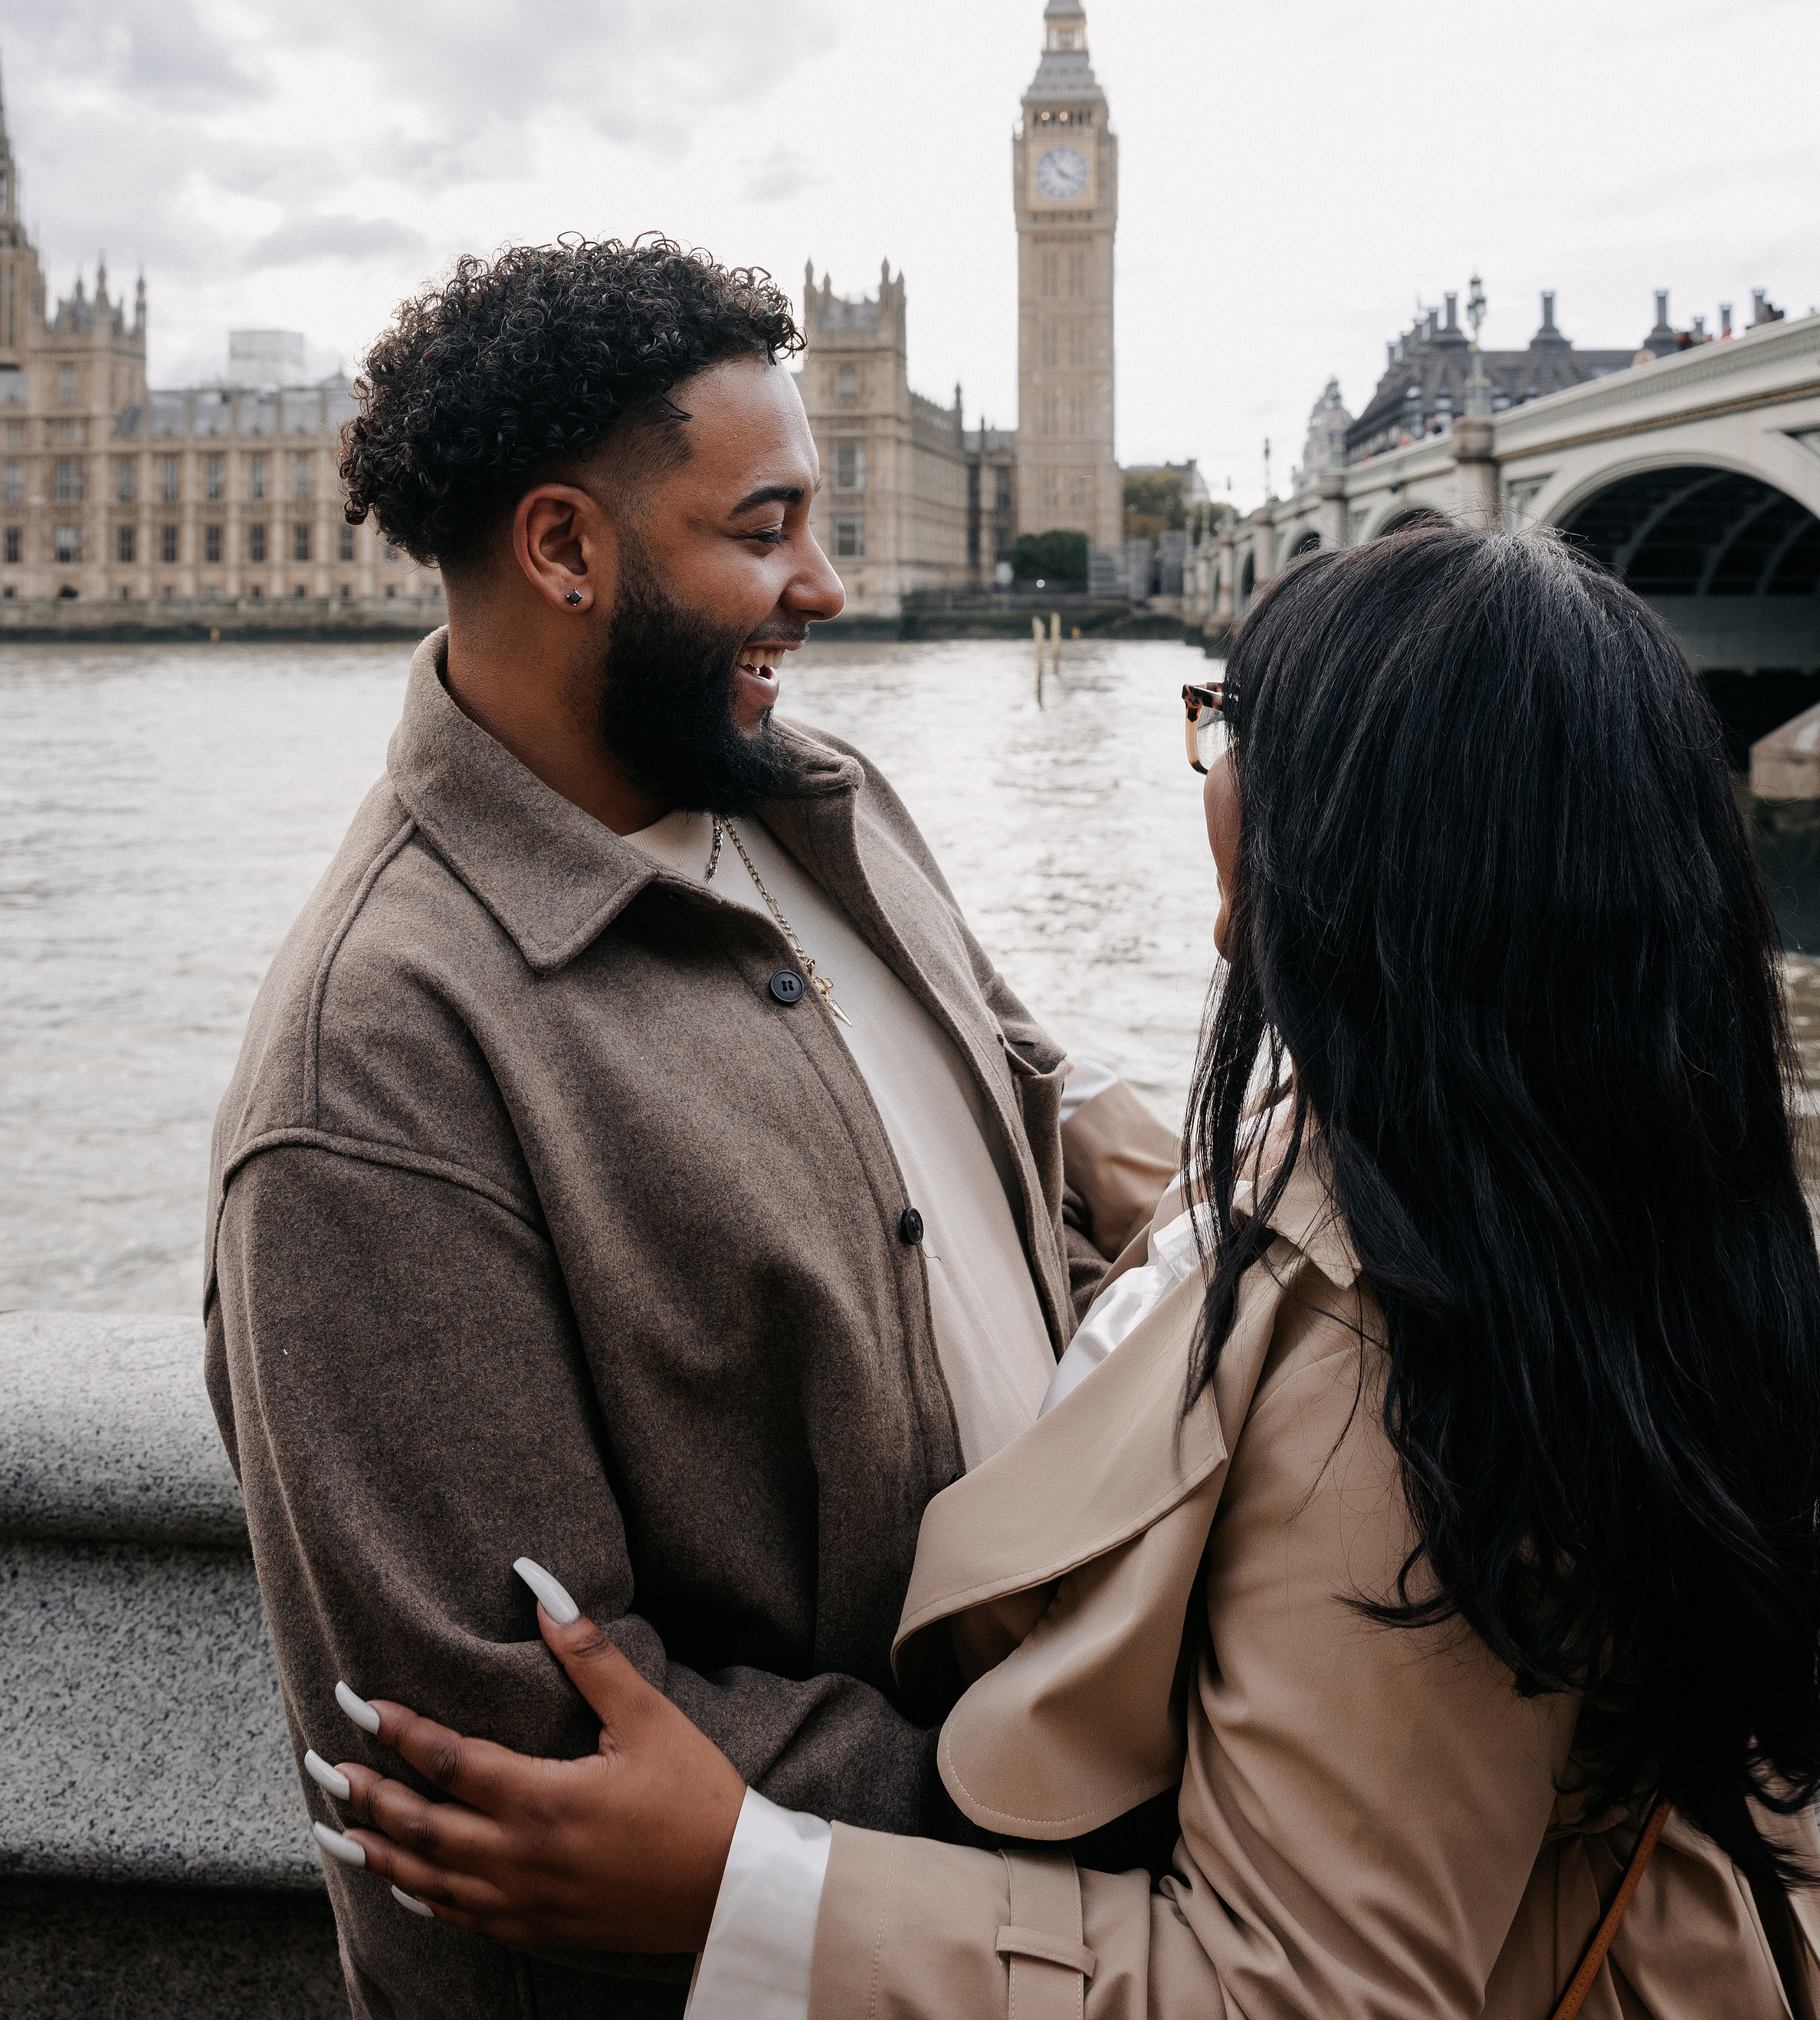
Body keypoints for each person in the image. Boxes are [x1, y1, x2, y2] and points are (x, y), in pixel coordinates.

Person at [314, 526, 1820, 2018]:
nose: (1207, 770)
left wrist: (751, 1890)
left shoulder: (1395, 1352)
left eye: (1227, 726)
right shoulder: (1551, 1138)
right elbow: (1198, 1184)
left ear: (1370, 822)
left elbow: (1317, 1996)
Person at [202, 235, 1176, 2020]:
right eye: (761, 528)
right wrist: (1110, 1798)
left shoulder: (823, 802)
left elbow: (1022, 1103)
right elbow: (513, 1730)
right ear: (562, 548)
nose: (825, 582)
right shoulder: (379, 1071)